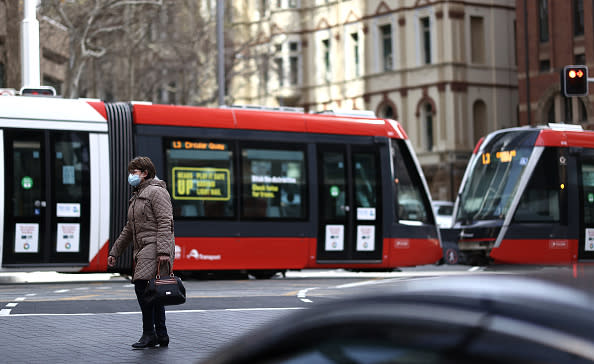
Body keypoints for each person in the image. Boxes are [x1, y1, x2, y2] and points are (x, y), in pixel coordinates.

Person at [107, 156, 175, 349]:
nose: (131, 176)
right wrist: (115, 252)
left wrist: (163, 251)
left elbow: (165, 222)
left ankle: (149, 334)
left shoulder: (156, 192)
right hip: (143, 247)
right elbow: (129, 228)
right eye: (130, 172)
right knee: (154, 291)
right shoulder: (137, 195)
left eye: (134, 172)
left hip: (155, 245)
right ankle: (161, 334)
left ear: (145, 173)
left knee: (142, 287)